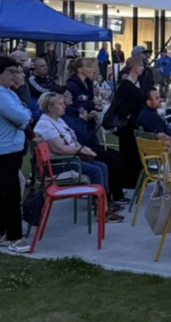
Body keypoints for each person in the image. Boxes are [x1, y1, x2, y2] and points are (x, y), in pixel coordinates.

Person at [33, 92, 125, 222]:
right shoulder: (45, 125)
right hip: (58, 164)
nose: (64, 106)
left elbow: (73, 140)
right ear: (50, 108)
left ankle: (103, 203)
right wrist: (81, 150)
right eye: (60, 104)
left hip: (70, 159)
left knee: (102, 166)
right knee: (95, 170)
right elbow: (60, 149)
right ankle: (103, 211)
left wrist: (84, 149)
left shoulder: (58, 120)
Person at [0, 57, 32, 252]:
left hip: (11, 149)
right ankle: (15, 238)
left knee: (4, 192)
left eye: (17, 71)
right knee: (11, 194)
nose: (15, 75)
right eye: (11, 71)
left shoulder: (9, 92)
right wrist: (22, 117)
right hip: (2, 151)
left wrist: (22, 117)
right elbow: (20, 116)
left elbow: (25, 113)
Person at [53, 85, 129, 204]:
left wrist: (87, 119)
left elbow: (76, 135)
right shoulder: (62, 117)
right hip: (77, 152)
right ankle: (107, 197)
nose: (71, 96)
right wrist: (83, 120)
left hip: (84, 145)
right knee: (109, 160)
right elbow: (78, 134)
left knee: (116, 156)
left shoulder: (70, 111)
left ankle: (112, 193)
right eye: (67, 95)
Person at [109, 56, 147, 188]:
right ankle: (128, 181)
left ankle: (138, 180)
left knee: (138, 152)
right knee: (129, 152)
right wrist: (129, 116)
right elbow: (119, 105)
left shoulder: (139, 82)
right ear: (133, 67)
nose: (142, 68)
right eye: (140, 66)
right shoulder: (125, 85)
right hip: (128, 125)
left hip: (138, 122)